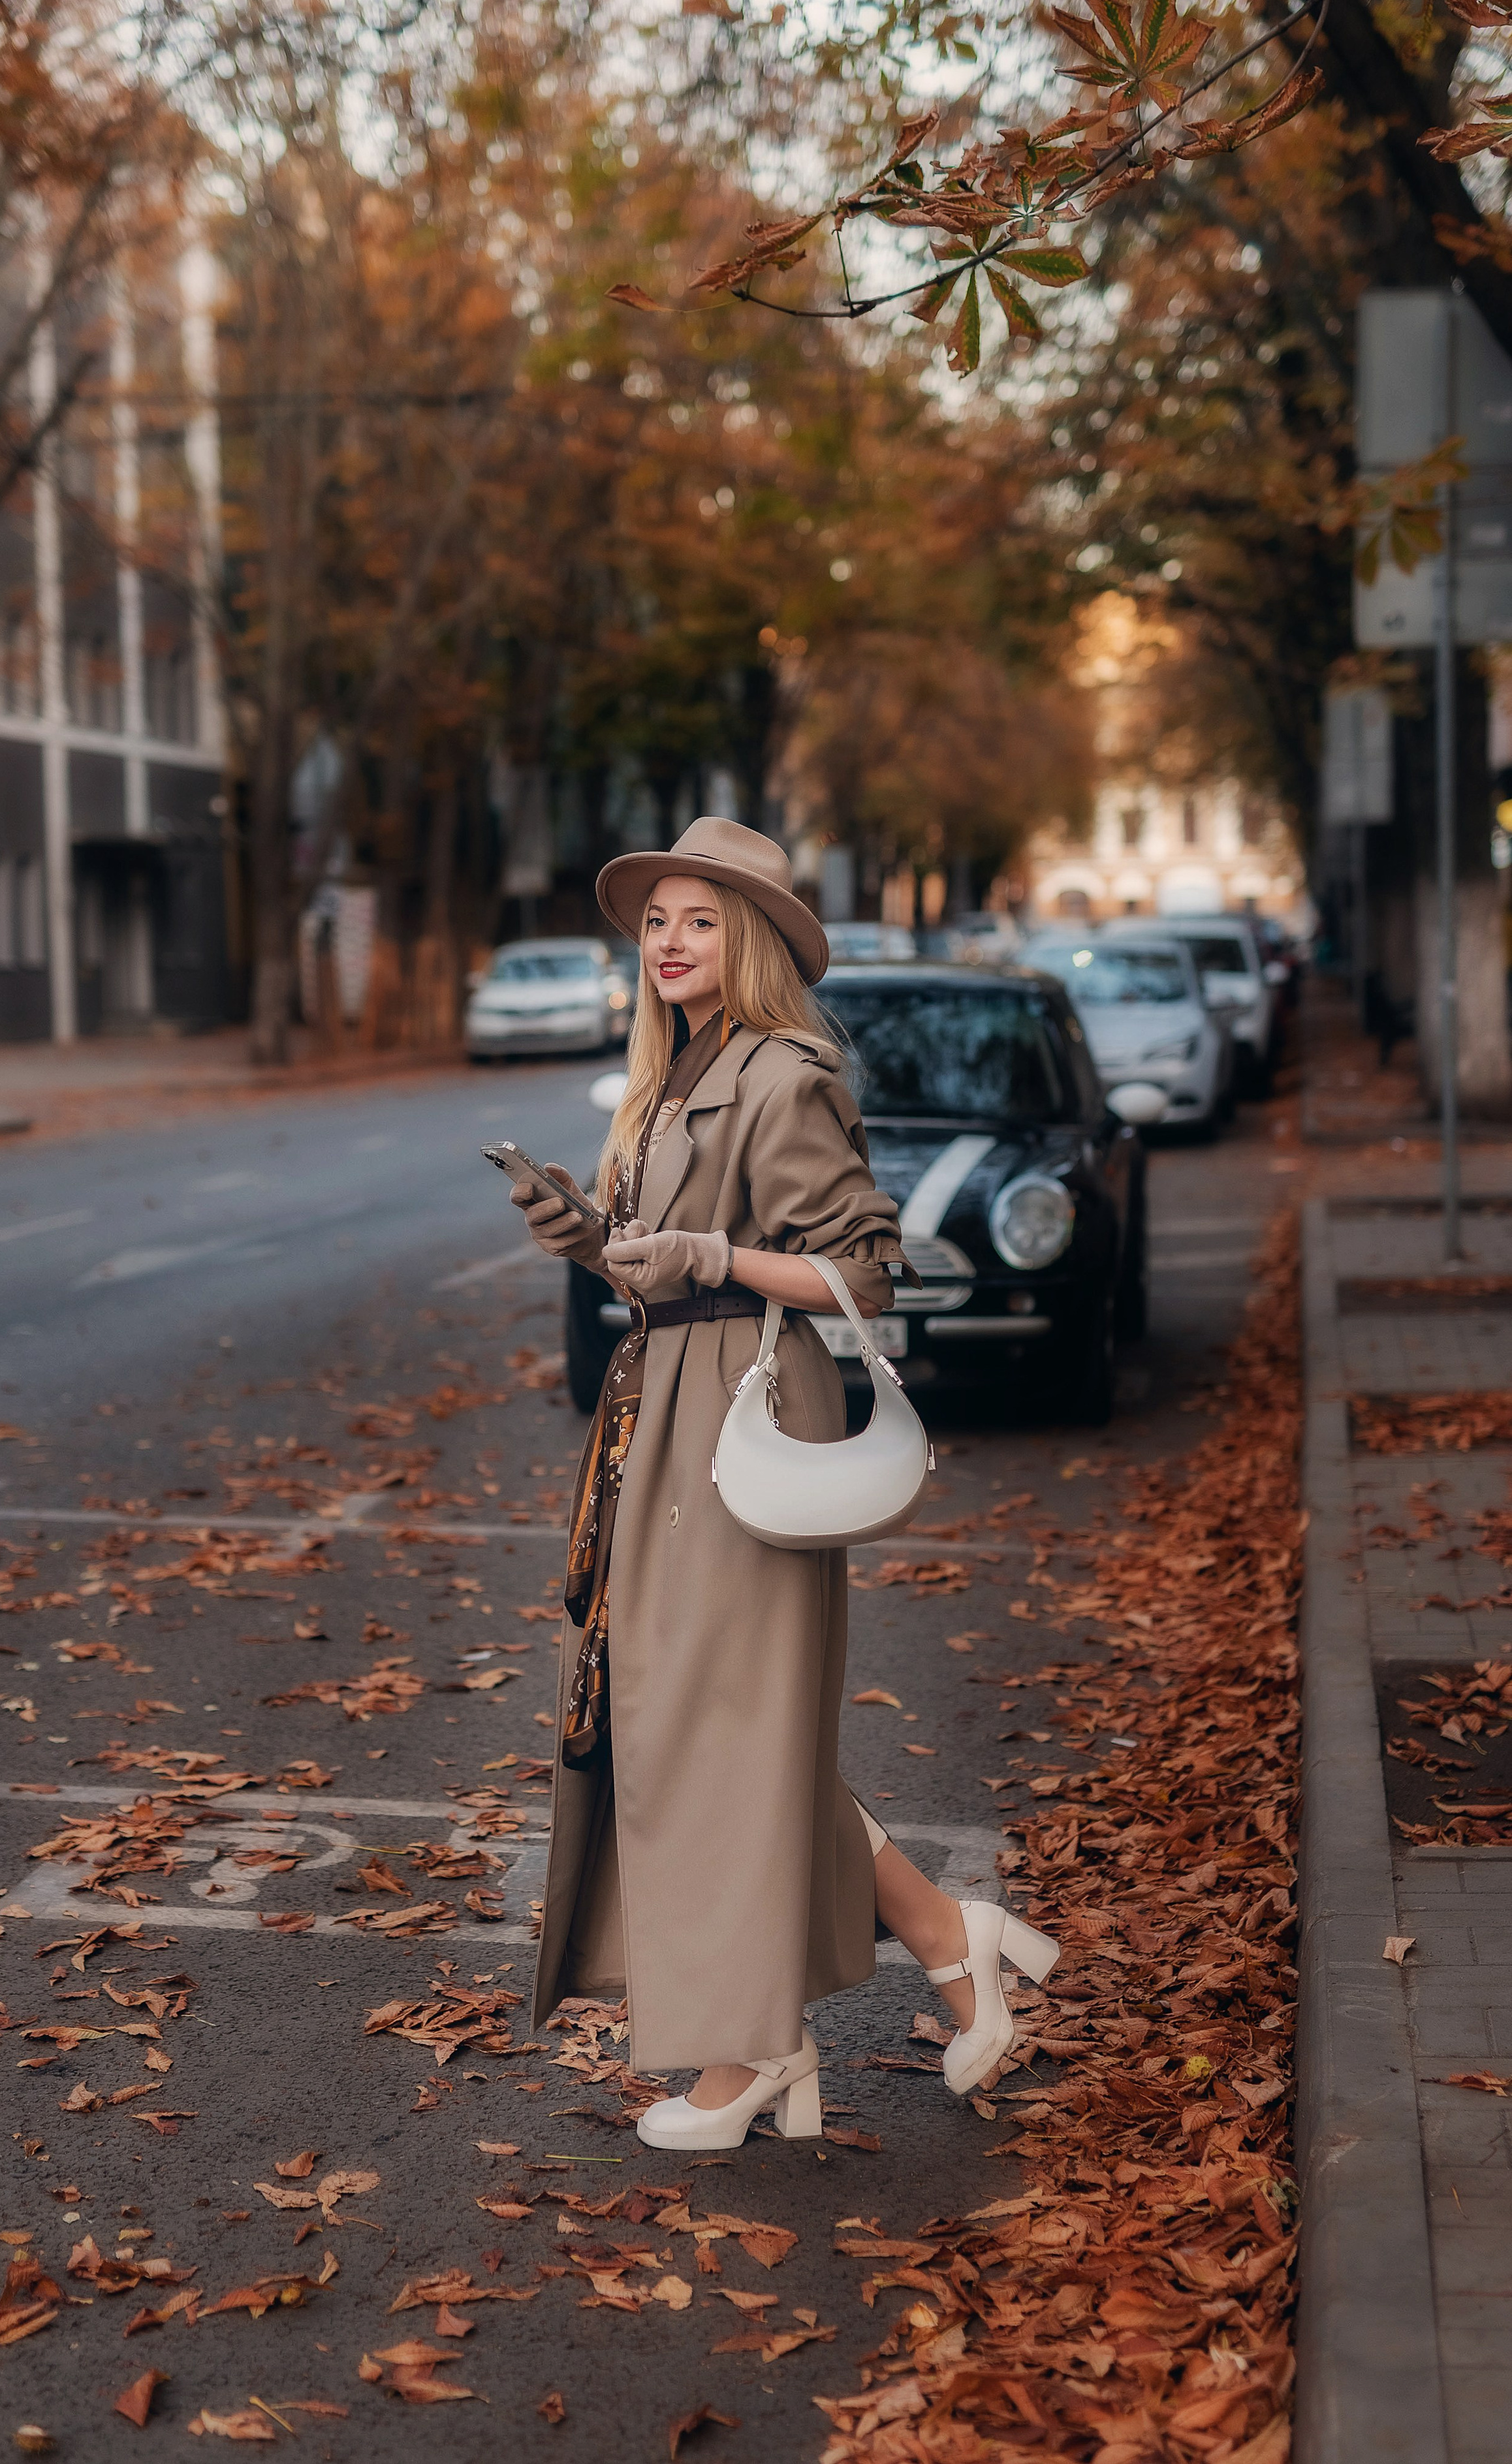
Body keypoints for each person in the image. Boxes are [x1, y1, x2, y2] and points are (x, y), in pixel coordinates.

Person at [505, 818, 1058, 2151]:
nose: (671, 942)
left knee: (710, 1732)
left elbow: (864, 1271)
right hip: (662, 1419)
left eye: (699, 919)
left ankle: (750, 2048)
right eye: (654, 922)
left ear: (746, 938)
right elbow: (657, 1267)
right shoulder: (661, 1077)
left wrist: (711, 1253)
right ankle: (938, 1939)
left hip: (743, 1420)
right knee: (701, 1727)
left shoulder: (782, 1070)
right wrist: (587, 1240)